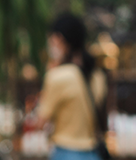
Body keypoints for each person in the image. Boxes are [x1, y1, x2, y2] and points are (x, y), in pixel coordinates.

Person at [33, 12, 108, 160]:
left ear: (59, 39)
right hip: (93, 154)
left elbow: (40, 122)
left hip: (65, 153)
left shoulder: (58, 76)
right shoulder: (97, 75)